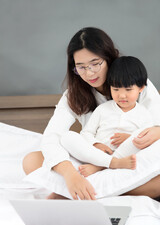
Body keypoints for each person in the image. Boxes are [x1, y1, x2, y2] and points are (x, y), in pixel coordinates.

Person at [23, 27, 160, 200]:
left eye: (95, 64)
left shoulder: (135, 82)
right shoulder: (73, 95)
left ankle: (76, 192)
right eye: (81, 67)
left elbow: (157, 122)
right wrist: (70, 175)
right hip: (91, 160)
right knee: (32, 161)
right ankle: (91, 188)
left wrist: (153, 132)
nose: (89, 73)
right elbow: (52, 136)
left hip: (132, 157)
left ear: (109, 58)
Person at [60, 56, 154, 177]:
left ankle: (101, 166)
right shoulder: (103, 109)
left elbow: (148, 141)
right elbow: (86, 133)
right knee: (67, 137)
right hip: (96, 154)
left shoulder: (144, 114)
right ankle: (108, 163)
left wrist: (129, 138)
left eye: (128, 90)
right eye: (116, 89)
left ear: (141, 88)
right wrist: (96, 144)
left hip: (124, 154)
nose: (122, 96)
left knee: (143, 139)